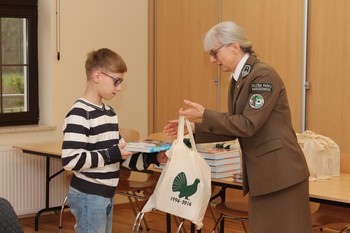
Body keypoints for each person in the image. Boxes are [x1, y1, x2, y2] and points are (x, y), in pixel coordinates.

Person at [164, 21, 312, 233]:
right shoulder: (239, 80)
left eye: (214, 53)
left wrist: (205, 114)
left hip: (281, 176)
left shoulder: (263, 76)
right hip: (265, 175)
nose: (211, 60)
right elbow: (237, 125)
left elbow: (248, 124)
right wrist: (195, 129)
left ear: (234, 47)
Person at [61, 48, 167, 233]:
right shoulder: (79, 113)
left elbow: (121, 155)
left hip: (105, 194)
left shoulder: (109, 113)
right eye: (116, 81)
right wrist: (113, 153)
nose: (119, 88)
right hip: (88, 195)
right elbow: (71, 160)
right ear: (97, 76)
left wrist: (154, 159)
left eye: (121, 82)